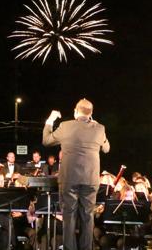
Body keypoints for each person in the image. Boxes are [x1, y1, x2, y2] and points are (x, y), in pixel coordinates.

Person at [42, 98, 110, 250]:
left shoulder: (66, 126)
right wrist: (98, 127)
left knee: (69, 217)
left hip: (69, 179)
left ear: (75, 111)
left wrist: (50, 120)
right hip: (90, 179)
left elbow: (46, 141)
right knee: (88, 217)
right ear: (91, 114)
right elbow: (106, 148)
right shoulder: (99, 128)